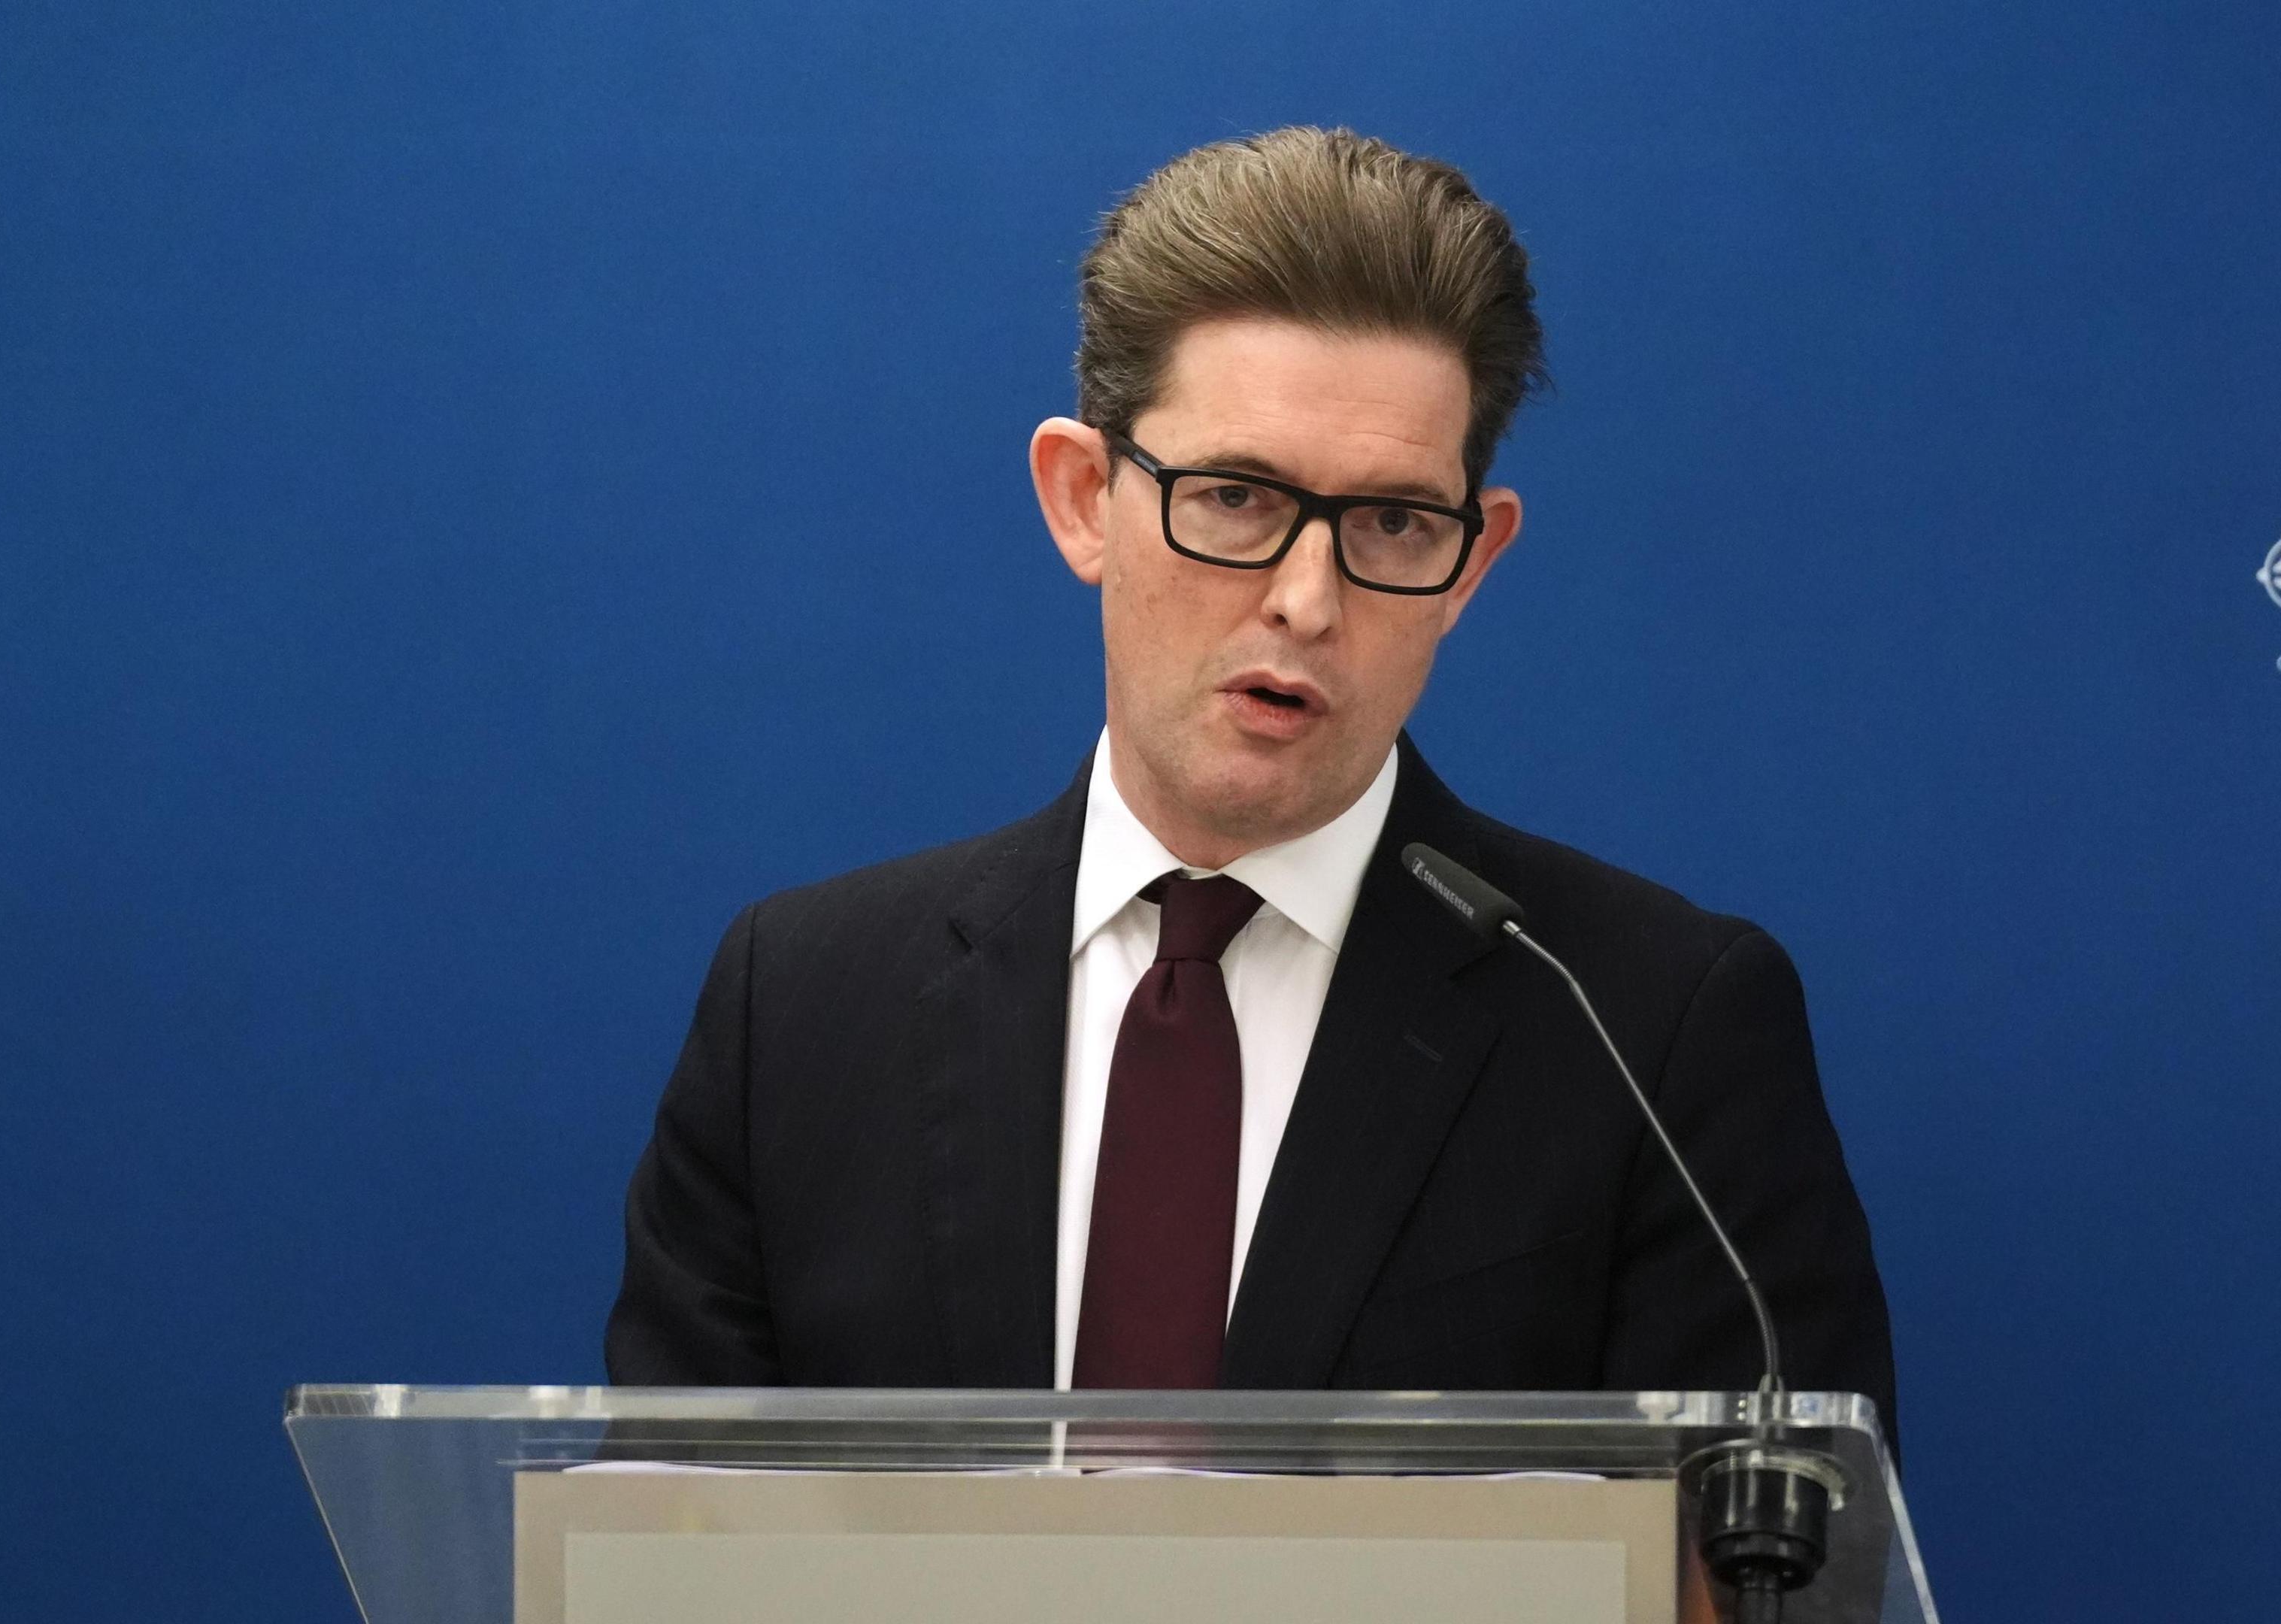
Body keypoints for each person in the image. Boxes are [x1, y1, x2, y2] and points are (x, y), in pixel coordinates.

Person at [605, 126, 1895, 1442]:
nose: (1307, 600)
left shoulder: (1651, 1033)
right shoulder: (804, 1010)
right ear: (1083, 497)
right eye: (1233, 496)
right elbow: (665, 1547)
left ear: (1473, 564)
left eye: (1395, 522)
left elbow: (1780, 1576)